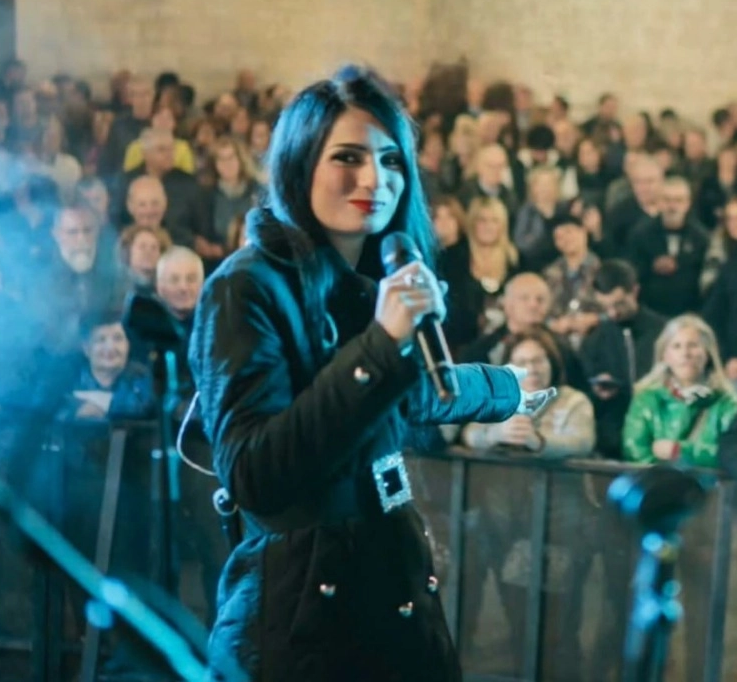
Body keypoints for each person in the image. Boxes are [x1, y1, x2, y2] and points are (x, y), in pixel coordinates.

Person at [191, 66, 555, 682]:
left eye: (390, 160)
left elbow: (412, 396)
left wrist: (505, 390)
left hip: (391, 586)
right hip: (300, 609)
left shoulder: (370, 285)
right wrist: (383, 342)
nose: (374, 179)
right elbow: (256, 472)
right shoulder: (246, 287)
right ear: (300, 163)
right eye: (348, 157)